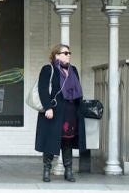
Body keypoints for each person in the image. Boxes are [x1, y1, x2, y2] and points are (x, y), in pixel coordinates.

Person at [35, 44, 86, 182]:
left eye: (69, 52)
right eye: (65, 53)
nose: (68, 55)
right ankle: (47, 170)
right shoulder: (48, 69)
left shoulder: (73, 70)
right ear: (56, 55)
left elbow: (77, 91)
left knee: (68, 141)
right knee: (51, 141)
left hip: (70, 112)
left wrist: (80, 110)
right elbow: (42, 90)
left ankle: (68, 171)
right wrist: (47, 107)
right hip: (54, 112)